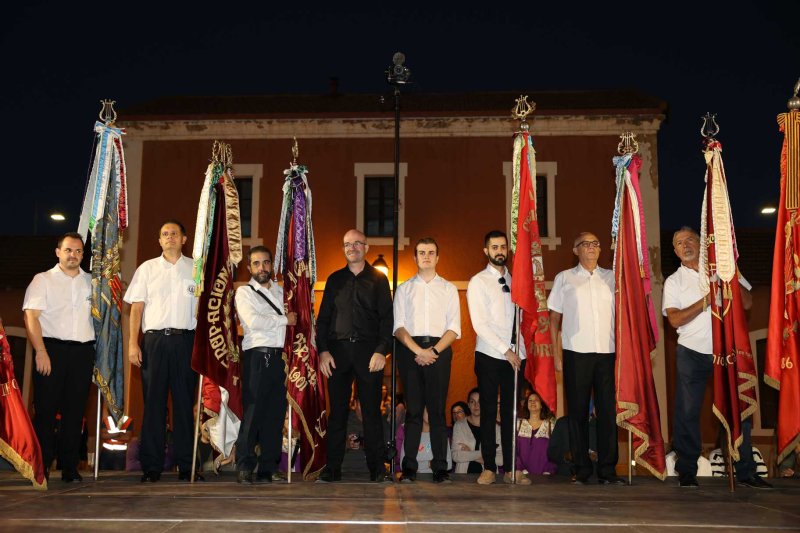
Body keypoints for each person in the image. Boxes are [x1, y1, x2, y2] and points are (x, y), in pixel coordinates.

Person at [663, 226, 771, 489]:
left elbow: (746, 303)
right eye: (679, 243)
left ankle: (746, 471)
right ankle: (687, 470)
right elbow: (674, 318)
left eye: (690, 239)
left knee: (739, 411)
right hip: (691, 353)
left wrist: (730, 278)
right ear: (675, 251)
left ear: (702, 244)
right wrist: (706, 301)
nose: (685, 245)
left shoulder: (723, 269)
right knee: (687, 413)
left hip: (727, 352)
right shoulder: (674, 281)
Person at [124, 220, 199, 483]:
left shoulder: (196, 268)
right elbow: (136, 308)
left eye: (174, 233)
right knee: (153, 405)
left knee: (183, 405)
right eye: (164, 234)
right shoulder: (147, 269)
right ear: (159, 240)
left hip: (186, 343)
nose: (169, 237)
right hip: (154, 343)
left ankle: (188, 466)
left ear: (184, 238)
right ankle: (152, 467)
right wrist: (133, 343)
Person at [317, 229, 393, 483]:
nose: (352, 247)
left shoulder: (379, 280)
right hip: (337, 353)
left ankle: (377, 469)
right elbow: (324, 319)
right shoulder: (334, 280)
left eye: (357, 243)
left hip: (368, 353)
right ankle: (333, 468)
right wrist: (323, 351)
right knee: (337, 412)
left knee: (371, 412)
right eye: (347, 244)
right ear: (344, 249)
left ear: (366, 247)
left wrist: (382, 350)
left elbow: (387, 320)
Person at [548, 231, 623, 484]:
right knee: (577, 413)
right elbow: (554, 320)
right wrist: (556, 355)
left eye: (595, 243)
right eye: (585, 244)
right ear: (575, 249)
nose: (591, 248)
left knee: (607, 413)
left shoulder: (613, 278)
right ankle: (581, 468)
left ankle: (608, 470)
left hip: (607, 353)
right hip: (575, 353)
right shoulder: (564, 278)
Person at [23, 232, 95, 482]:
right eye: (68, 250)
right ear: (58, 252)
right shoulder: (43, 280)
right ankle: (41, 467)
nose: (73, 255)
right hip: (51, 351)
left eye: (77, 251)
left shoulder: (92, 282)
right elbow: (31, 317)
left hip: (83, 352)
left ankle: (69, 467)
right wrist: (40, 351)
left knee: (75, 414)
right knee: (46, 412)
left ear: (82, 255)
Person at [394, 237, 460, 484]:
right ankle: (409, 468)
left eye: (431, 252)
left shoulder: (449, 289)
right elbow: (399, 327)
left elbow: (454, 328)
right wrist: (417, 351)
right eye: (422, 252)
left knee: (437, 412)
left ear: (438, 257)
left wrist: (432, 352)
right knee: (412, 411)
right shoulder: (403, 289)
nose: (426, 256)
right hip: (409, 350)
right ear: (415, 257)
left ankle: (440, 469)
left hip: (439, 351)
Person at [466, 230, 526, 485]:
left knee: (512, 412)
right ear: (486, 251)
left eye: (503, 247)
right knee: (489, 412)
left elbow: (522, 322)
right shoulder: (478, 281)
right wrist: (506, 350)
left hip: (515, 356)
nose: (499, 251)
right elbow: (480, 323)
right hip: (490, 354)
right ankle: (489, 467)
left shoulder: (518, 281)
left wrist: (519, 352)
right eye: (494, 247)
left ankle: (511, 468)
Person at [234, 246, 297, 483]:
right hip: (257, 357)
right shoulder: (244, 292)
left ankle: (268, 467)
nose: (262, 268)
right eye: (257, 263)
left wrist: (286, 322)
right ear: (249, 267)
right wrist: (284, 320)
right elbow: (253, 321)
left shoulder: (283, 292)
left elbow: (294, 320)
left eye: (266, 263)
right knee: (253, 412)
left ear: (272, 265)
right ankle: (245, 465)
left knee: (275, 413)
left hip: (280, 358)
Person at [452, 388, 502, 474]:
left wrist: (470, 452)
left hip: (489, 479)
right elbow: (456, 456)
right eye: (472, 402)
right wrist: (485, 455)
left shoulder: (495, 427)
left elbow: (501, 460)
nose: (476, 405)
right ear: (468, 404)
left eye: (480, 401)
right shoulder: (459, 425)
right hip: (463, 479)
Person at [396, 408, 453, 474]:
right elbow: (403, 465)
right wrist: (430, 464)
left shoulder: (441, 436)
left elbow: (448, 465)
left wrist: (417, 465)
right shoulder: (411, 436)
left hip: (436, 481)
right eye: (428, 411)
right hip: (415, 481)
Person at [515, 391, 557, 481]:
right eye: (530, 400)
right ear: (526, 405)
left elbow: (555, 452)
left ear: (542, 405)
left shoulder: (551, 426)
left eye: (536, 400)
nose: (533, 402)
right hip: (522, 476)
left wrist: (548, 471)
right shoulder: (518, 425)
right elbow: (514, 451)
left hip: (545, 477)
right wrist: (521, 470)